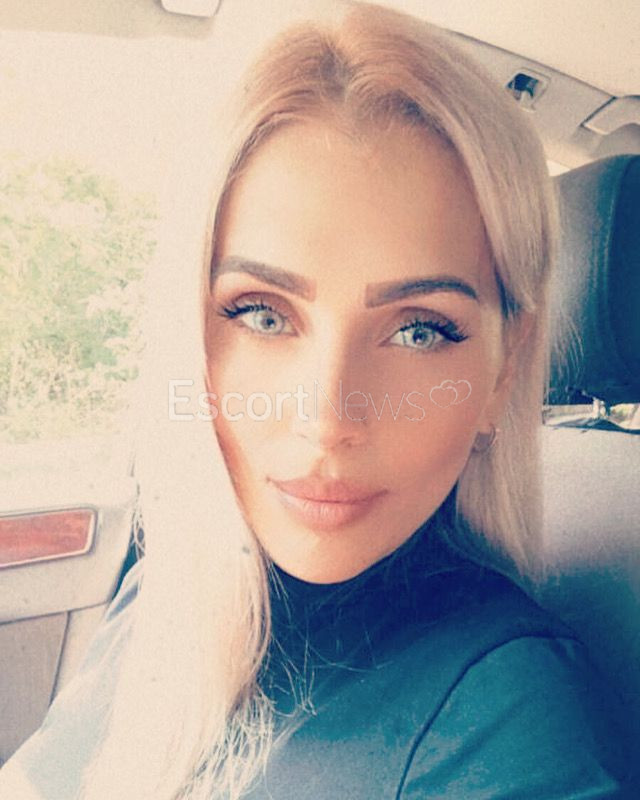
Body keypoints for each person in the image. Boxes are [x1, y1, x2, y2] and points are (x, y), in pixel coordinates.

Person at [0, 2, 630, 798]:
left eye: (420, 330)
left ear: (502, 379)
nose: (327, 419)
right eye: (262, 314)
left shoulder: (507, 724)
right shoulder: (169, 582)